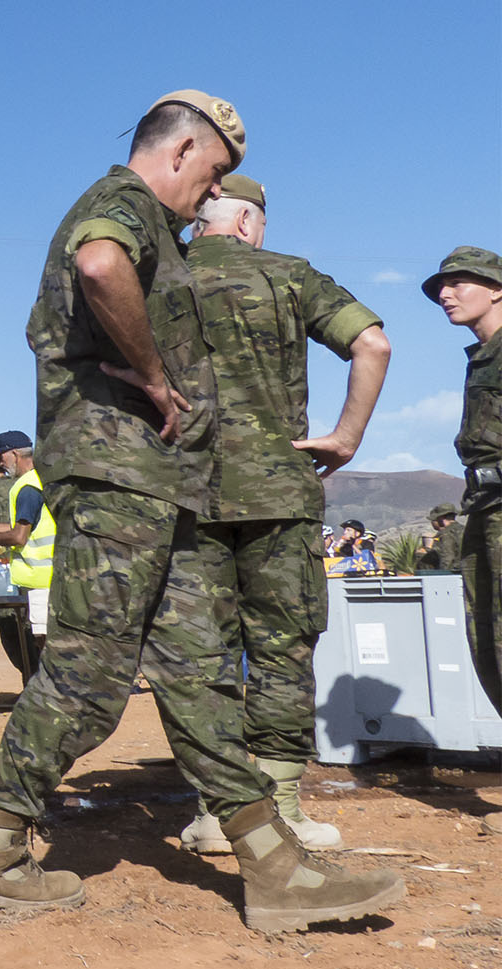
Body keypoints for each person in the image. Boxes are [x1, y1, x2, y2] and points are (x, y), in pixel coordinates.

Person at [0, 91, 401, 931]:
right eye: (215, 173)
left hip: (164, 484)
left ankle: (272, 863)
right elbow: (98, 265)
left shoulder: (159, 228)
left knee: (198, 676)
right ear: (184, 149)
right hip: (118, 476)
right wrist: (154, 379)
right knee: (88, 677)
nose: (212, 194)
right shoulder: (122, 202)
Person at [172, 173, 392, 855]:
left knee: (200, 655)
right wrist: (346, 436)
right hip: (279, 494)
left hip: (183, 495)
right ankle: (282, 808)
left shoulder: (157, 279)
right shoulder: (290, 275)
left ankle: (217, 813)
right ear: (245, 222)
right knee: (281, 650)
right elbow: (373, 344)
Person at [422, 245, 502, 836]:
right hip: (483, 506)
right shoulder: (481, 357)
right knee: (488, 642)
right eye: (440, 287)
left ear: (497, 287)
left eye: (458, 283)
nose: (445, 294)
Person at [0, 431, 50, 674]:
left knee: (38, 641)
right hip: (54, 577)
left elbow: (19, 535)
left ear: (14, 454)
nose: (3, 464)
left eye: (3, 457)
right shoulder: (45, 480)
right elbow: (34, 525)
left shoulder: (25, 486)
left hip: (37, 581)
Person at [417, 503, 463, 572]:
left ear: (441, 518)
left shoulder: (445, 533)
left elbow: (447, 558)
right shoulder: (465, 530)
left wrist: (443, 575)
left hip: (452, 574)